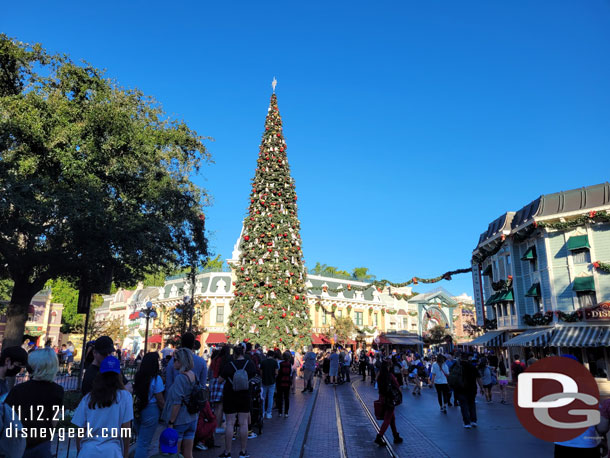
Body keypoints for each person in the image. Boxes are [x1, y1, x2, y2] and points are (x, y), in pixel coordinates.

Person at [5, 348, 64, 457]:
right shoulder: (58, 390)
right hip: (43, 442)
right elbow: (54, 419)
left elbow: (8, 417)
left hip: (19, 442)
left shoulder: (19, 390)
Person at [72, 356, 133, 458]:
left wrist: (80, 451)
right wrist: (125, 454)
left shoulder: (88, 398)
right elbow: (126, 430)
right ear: (119, 375)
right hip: (111, 451)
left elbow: (80, 431)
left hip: (88, 450)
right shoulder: (125, 397)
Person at [218, 344, 256, 458]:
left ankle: (227, 452)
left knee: (230, 424)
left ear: (234, 354)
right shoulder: (250, 365)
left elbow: (220, 380)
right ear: (243, 353)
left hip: (230, 396)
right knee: (243, 423)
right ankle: (243, 451)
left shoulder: (229, 365)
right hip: (244, 396)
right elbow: (254, 376)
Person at [160, 348, 198, 458]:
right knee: (188, 453)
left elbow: (177, 403)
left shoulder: (180, 378)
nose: (173, 361)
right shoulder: (192, 374)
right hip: (192, 417)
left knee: (175, 453)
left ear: (181, 361)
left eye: (175, 359)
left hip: (180, 419)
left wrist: (171, 422)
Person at [133, 352, 165, 458]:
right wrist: (165, 411)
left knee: (141, 440)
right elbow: (160, 399)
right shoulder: (156, 379)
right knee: (144, 443)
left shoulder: (138, 376)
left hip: (138, 408)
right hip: (151, 410)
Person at [374, 357, 403, 446]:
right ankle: (379, 437)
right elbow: (397, 385)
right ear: (388, 366)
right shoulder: (390, 376)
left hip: (382, 398)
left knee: (392, 418)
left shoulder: (379, 375)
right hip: (390, 399)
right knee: (387, 419)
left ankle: (395, 436)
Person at [451, 353, 483, 429]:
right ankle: (473, 421)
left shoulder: (456, 366)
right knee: (472, 404)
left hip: (460, 389)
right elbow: (478, 378)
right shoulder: (472, 366)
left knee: (463, 405)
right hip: (472, 389)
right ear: (468, 358)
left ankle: (467, 422)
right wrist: (481, 388)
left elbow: (451, 376)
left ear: (460, 358)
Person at [260, 350, 278, 418]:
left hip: (264, 381)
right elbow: (276, 373)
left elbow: (261, 372)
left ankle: (262, 412)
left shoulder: (263, 362)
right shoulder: (274, 362)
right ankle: (269, 413)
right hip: (272, 381)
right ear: (273, 355)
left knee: (263, 397)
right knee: (270, 397)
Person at [277, 350, 293, 417]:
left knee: (280, 397)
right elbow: (290, 374)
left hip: (280, 382)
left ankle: (280, 412)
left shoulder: (279, 364)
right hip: (287, 382)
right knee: (286, 398)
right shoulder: (290, 365)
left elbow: (278, 373)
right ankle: (286, 413)